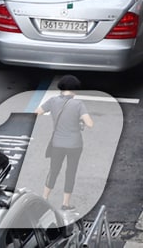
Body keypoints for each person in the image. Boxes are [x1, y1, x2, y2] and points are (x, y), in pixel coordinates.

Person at [36, 76, 94, 211]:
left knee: (54, 170)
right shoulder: (78, 104)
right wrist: (79, 120)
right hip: (75, 145)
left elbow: (37, 112)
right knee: (70, 172)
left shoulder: (52, 101)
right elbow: (90, 124)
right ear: (74, 90)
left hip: (57, 144)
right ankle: (65, 204)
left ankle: (44, 198)